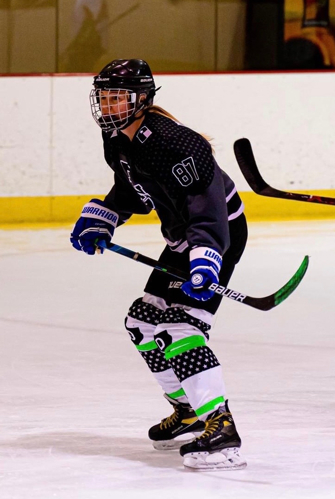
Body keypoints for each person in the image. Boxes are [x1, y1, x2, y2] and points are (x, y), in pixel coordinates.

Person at [70, 59, 248, 471]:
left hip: (216, 235)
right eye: (104, 96)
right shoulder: (117, 139)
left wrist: (206, 261)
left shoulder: (179, 144)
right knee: (142, 322)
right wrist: (105, 216)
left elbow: (208, 212)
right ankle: (187, 412)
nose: (109, 105)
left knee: (179, 328)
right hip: (183, 238)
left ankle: (221, 429)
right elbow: (134, 187)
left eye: (118, 97)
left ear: (143, 99)